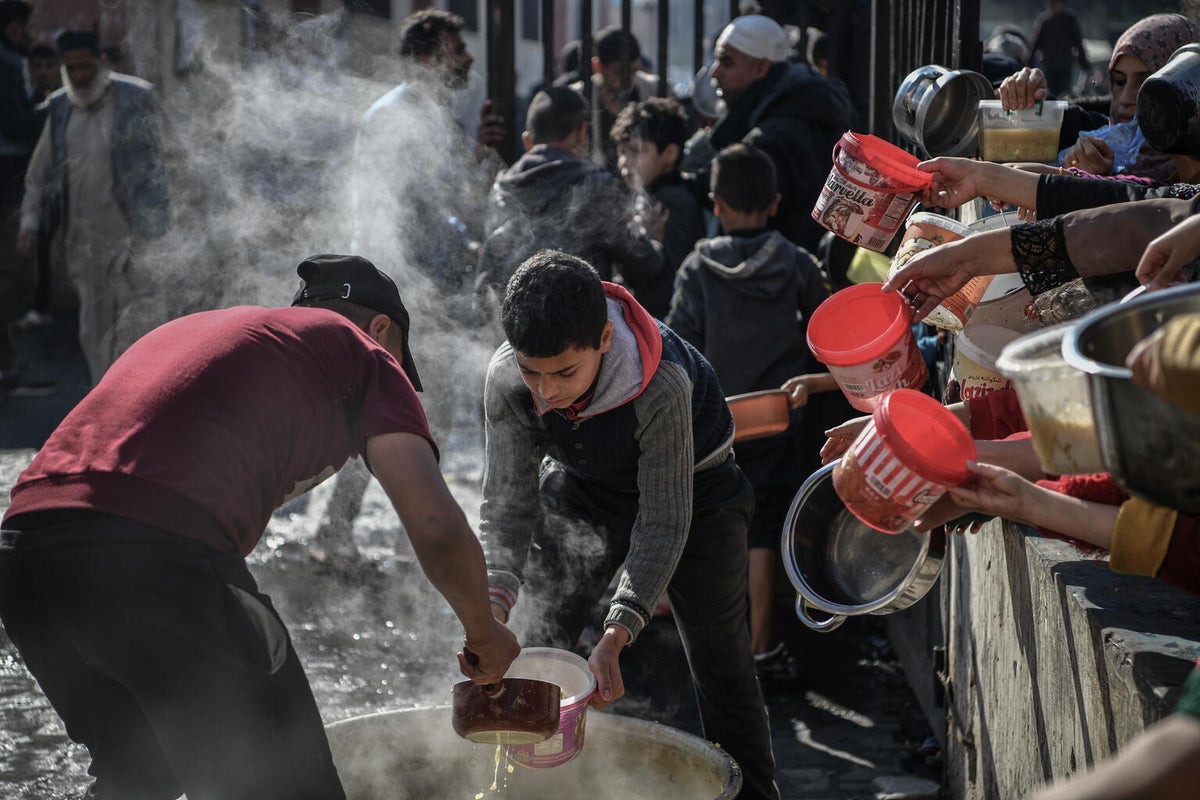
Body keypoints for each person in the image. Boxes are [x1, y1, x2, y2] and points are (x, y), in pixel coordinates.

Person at [0, 253, 521, 800]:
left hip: (25, 562)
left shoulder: (203, 332)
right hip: (149, 562)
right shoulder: (364, 353)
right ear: (382, 328)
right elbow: (436, 524)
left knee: (141, 775)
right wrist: (484, 634)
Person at [478, 250, 781, 800]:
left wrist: (617, 633)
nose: (546, 391)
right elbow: (506, 504)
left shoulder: (661, 383)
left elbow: (663, 522)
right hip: (583, 485)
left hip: (699, 489)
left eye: (565, 372)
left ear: (603, 341)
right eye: (532, 372)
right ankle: (521, 788)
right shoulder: (506, 378)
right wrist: (492, 608)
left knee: (722, 668)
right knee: (536, 643)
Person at [665, 143, 829, 677]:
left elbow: (679, 343)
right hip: (780, 418)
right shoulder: (797, 263)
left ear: (715, 202)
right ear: (776, 203)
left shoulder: (696, 267)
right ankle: (762, 647)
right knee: (764, 533)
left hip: (718, 422)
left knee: (719, 528)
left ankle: (719, 652)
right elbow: (822, 330)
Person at [17, 29, 170, 386]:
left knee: (138, 323)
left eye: (85, 67)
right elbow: (38, 174)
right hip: (83, 242)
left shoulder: (136, 97)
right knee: (93, 330)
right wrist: (30, 221)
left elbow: (169, 158)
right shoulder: (59, 107)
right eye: (71, 70)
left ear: (101, 62)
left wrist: (165, 219)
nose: (79, 76)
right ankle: (104, 401)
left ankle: (138, 398)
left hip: (132, 236)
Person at [477, 86, 662, 300]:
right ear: (582, 132)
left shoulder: (501, 191)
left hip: (510, 327)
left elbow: (486, 285)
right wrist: (653, 240)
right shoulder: (598, 187)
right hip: (578, 328)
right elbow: (644, 264)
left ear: (527, 141)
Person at [706, 14, 853, 253]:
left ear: (761, 67)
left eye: (727, 62)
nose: (715, 72)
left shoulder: (770, 137)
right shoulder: (803, 106)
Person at [999, 13, 1198, 181]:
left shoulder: (1189, 171)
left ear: (1182, 84)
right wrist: (1022, 92)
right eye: (1119, 82)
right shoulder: (1100, 139)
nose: (1126, 99)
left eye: (1144, 83)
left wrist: (1092, 186)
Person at [610, 95, 706, 319]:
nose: (624, 162)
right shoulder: (650, 196)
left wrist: (646, 248)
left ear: (669, 154)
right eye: (622, 152)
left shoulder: (673, 201)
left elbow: (671, 284)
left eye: (635, 151)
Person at [0, 0, 52, 396]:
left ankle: (8, 368)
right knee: (19, 275)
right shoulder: (4, 63)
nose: (25, 34)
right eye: (20, 27)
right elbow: (15, 123)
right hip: (8, 178)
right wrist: (53, 110)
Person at [570, 25, 659, 173]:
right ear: (598, 66)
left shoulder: (652, 90)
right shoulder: (577, 97)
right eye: (619, 72)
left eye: (634, 71)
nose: (629, 80)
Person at [1029, 0, 1089, 97]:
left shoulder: (1070, 19)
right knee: (1049, 93)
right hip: (1049, 66)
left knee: (1064, 94)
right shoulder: (1044, 21)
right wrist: (1029, 63)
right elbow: (1035, 44)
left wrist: (1085, 64)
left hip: (1064, 65)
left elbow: (1078, 42)